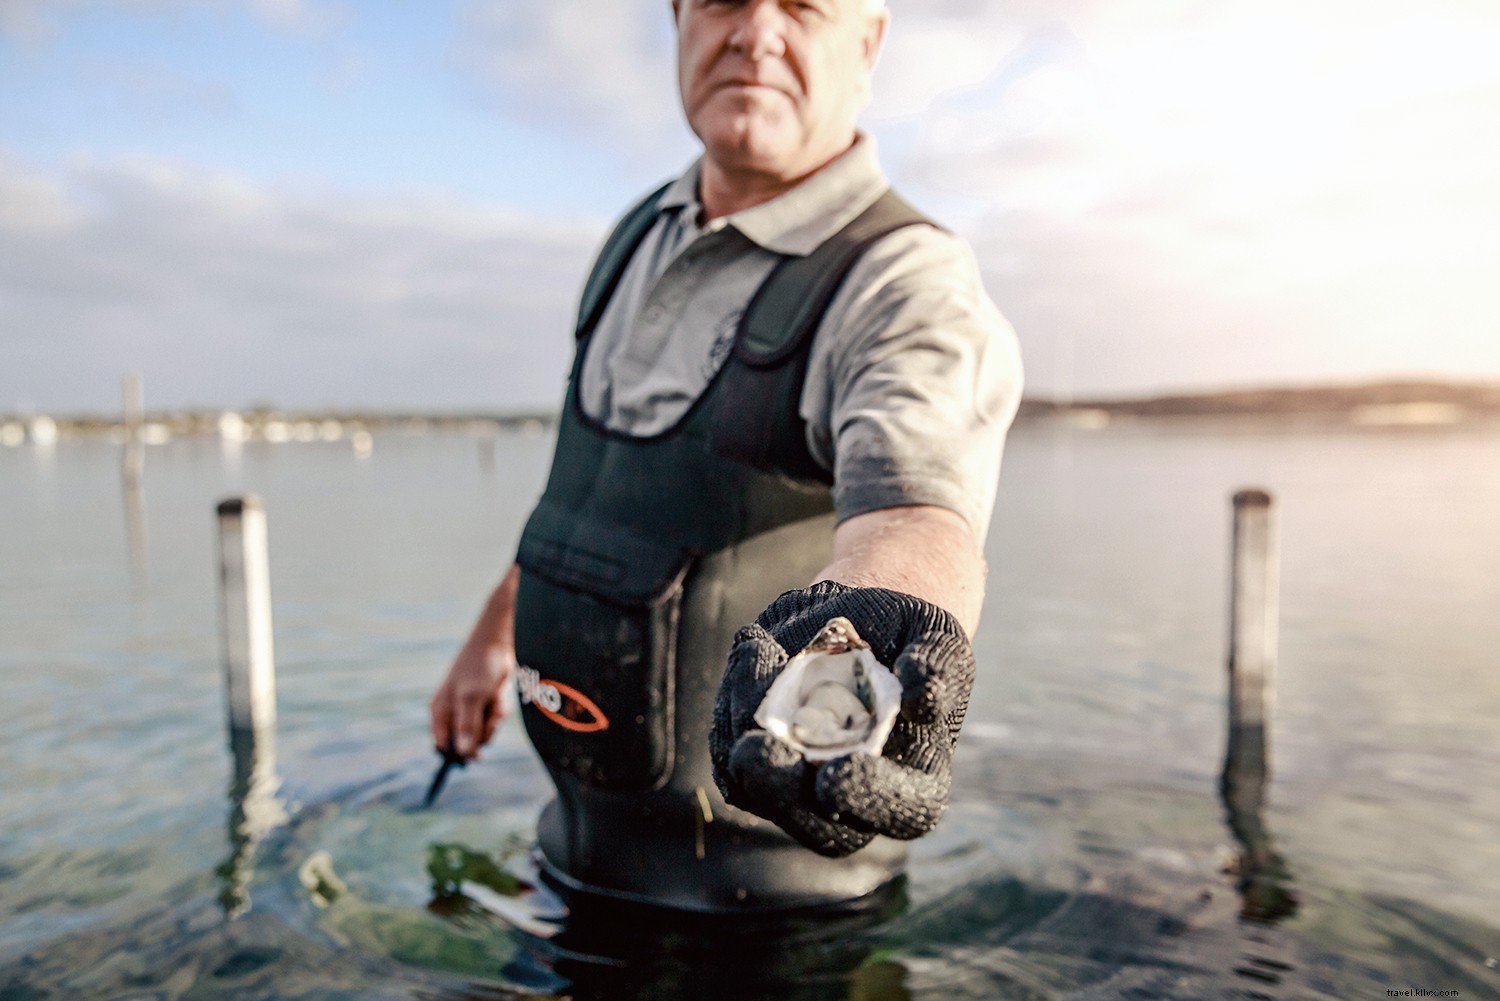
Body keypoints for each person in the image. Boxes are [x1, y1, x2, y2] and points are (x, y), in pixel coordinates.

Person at [430, 0, 1022, 916]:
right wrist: (492, 635)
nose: (755, 32)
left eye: (802, 6)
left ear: (868, 41)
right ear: (676, 20)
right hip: (569, 875)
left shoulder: (907, 284)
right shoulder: (634, 239)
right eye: (720, 0)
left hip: (778, 918)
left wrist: (893, 620)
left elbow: (914, 513)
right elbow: (589, 490)